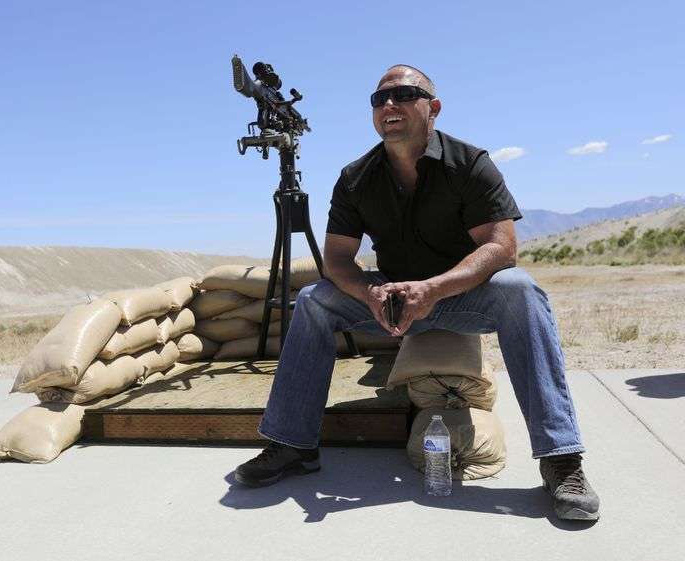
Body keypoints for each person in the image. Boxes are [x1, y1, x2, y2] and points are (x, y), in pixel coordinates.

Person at [233, 64, 600, 521]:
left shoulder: (469, 164)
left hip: (461, 298)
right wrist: (369, 292)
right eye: (379, 99)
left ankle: (560, 459)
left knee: (520, 290)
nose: (389, 105)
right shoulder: (356, 177)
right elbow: (338, 260)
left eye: (404, 94)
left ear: (434, 107)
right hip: (391, 303)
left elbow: (502, 247)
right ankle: (292, 445)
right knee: (314, 301)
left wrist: (433, 289)